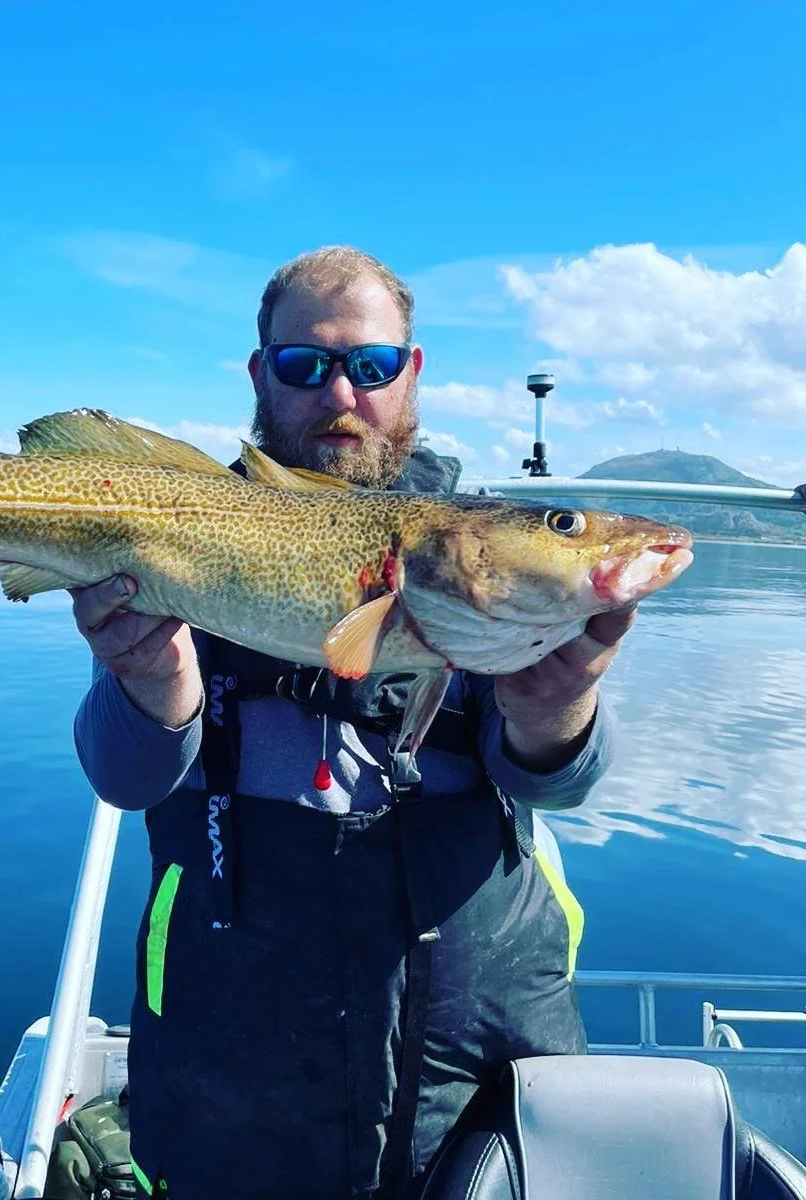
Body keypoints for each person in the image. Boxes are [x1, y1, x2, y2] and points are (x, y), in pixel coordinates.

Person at [70, 246, 630, 1199]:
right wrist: (150, 680)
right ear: (260, 376)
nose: (340, 393)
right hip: (233, 1078)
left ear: (410, 375)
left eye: (370, 366)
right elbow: (125, 778)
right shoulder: (182, 531)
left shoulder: (474, 551)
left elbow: (559, 781)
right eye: (304, 365)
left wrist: (559, 709)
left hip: (471, 1075)